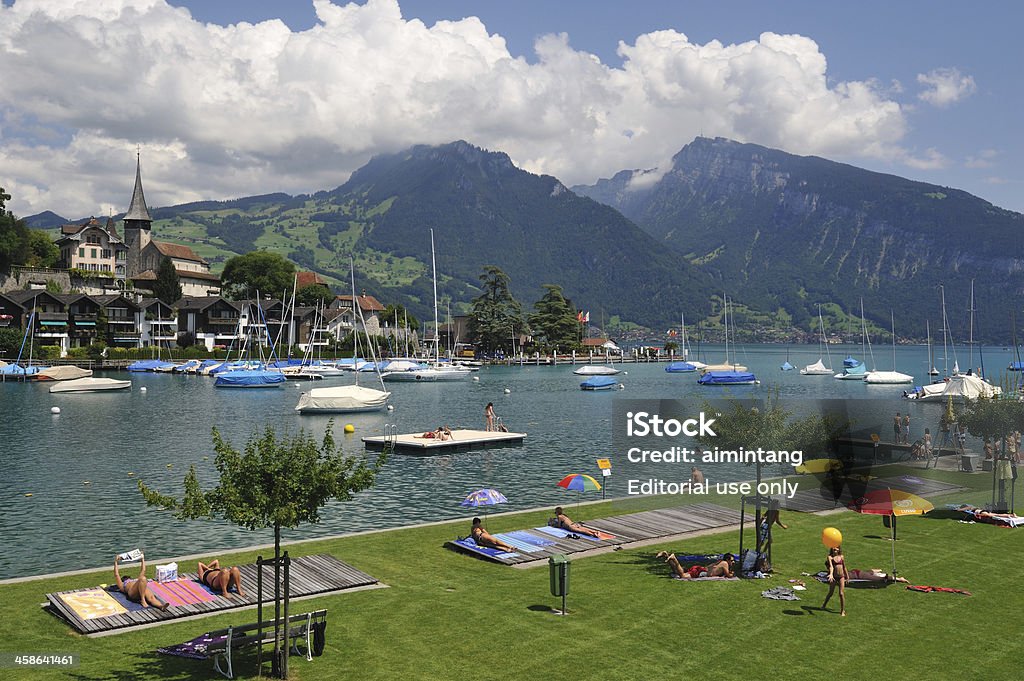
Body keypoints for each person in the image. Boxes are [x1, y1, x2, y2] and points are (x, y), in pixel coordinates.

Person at [656, 551, 734, 579]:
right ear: (727, 560)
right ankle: (674, 558)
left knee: (676, 572)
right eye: (731, 560)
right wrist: (732, 574)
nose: (733, 562)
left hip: (700, 569)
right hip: (701, 572)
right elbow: (728, 575)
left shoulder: (719, 562)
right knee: (683, 576)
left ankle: (666, 555)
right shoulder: (725, 563)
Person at [822, 546, 848, 616]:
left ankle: (842, 610)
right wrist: (830, 574)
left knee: (841, 594)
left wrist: (847, 577)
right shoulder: (830, 557)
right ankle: (824, 605)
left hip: (841, 577)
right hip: (834, 577)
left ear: (839, 549)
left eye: (836, 548)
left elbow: (844, 567)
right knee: (830, 593)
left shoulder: (841, 557)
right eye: (833, 548)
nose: (835, 549)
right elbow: (831, 567)